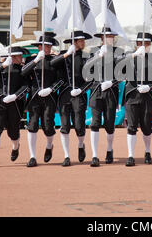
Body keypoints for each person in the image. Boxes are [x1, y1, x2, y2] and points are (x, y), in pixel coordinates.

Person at [120, 32, 152, 167]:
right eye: (143, 43)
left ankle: (147, 151)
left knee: (146, 126)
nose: (146, 46)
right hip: (132, 96)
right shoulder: (129, 56)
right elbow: (118, 70)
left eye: (148, 44)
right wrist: (133, 55)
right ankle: (130, 155)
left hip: (148, 96)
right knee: (131, 126)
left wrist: (149, 87)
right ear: (137, 44)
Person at [51, 30, 93, 167]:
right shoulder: (64, 54)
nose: (83, 42)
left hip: (79, 94)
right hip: (64, 94)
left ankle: (81, 145)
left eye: (83, 40)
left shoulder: (86, 56)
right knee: (64, 125)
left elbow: (91, 79)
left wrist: (81, 89)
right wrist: (67, 54)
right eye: (80, 40)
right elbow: (53, 64)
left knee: (79, 125)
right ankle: (66, 156)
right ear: (74, 42)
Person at [0, 47, 31, 168]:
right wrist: (4, 65)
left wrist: (15, 96)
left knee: (13, 132)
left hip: (14, 103)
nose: (21, 58)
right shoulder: (2, 66)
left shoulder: (23, 70)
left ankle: (15, 147)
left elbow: (27, 86)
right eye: (19, 56)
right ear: (13, 57)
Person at [83, 27, 122, 167]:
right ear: (101, 38)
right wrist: (97, 56)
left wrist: (111, 82)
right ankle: (94, 155)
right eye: (106, 36)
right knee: (94, 123)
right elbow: (86, 69)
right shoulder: (93, 51)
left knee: (110, 124)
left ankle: (109, 149)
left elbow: (124, 73)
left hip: (111, 91)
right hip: (95, 91)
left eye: (110, 36)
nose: (108, 38)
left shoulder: (119, 52)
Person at [21, 32, 62, 168]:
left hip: (49, 96)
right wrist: (36, 60)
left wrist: (51, 89)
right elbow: (23, 73)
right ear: (39, 46)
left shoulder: (54, 61)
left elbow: (61, 79)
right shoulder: (31, 60)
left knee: (48, 126)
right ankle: (32, 156)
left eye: (49, 46)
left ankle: (49, 145)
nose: (48, 49)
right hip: (34, 96)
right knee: (32, 126)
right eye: (45, 46)